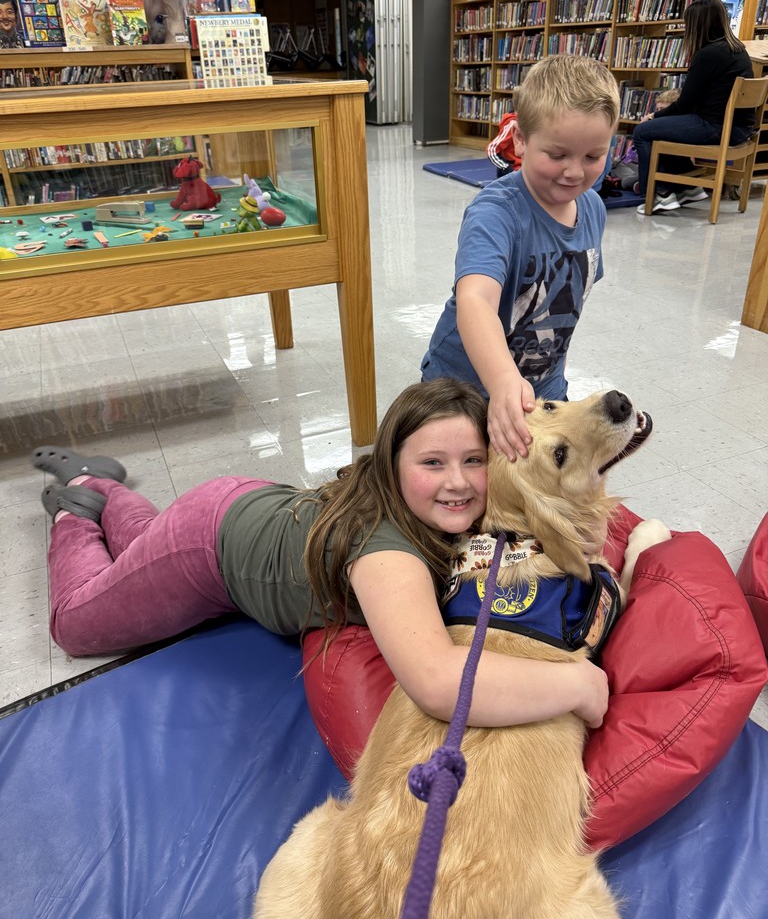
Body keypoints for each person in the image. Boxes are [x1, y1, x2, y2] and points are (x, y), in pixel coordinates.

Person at [32, 378, 609, 730]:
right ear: (393, 465)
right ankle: (74, 508)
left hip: (247, 505)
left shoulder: (456, 504)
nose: (457, 482)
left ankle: (107, 489)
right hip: (206, 547)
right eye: (432, 463)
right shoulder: (388, 555)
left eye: (474, 461)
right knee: (76, 623)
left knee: (139, 547)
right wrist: (580, 687)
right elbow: (437, 682)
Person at [421, 54, 620, 462]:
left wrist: (531, 384)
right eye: (558, 154)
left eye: (592, 156)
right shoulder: (496, 212)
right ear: (521, 141)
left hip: (543, 385)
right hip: (464, 387)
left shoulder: (593, 209)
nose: (574, 172)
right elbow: (475, 300)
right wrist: (503, 380)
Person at [632, 0, 755, 215]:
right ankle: (686, 187)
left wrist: (653, 117)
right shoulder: (737, 49)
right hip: (740, 129)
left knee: (642, 131)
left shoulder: (707, 55)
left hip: (715, 127)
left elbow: (685, 105)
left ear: (697, 26)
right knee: (668, 127)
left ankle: (659, 194)